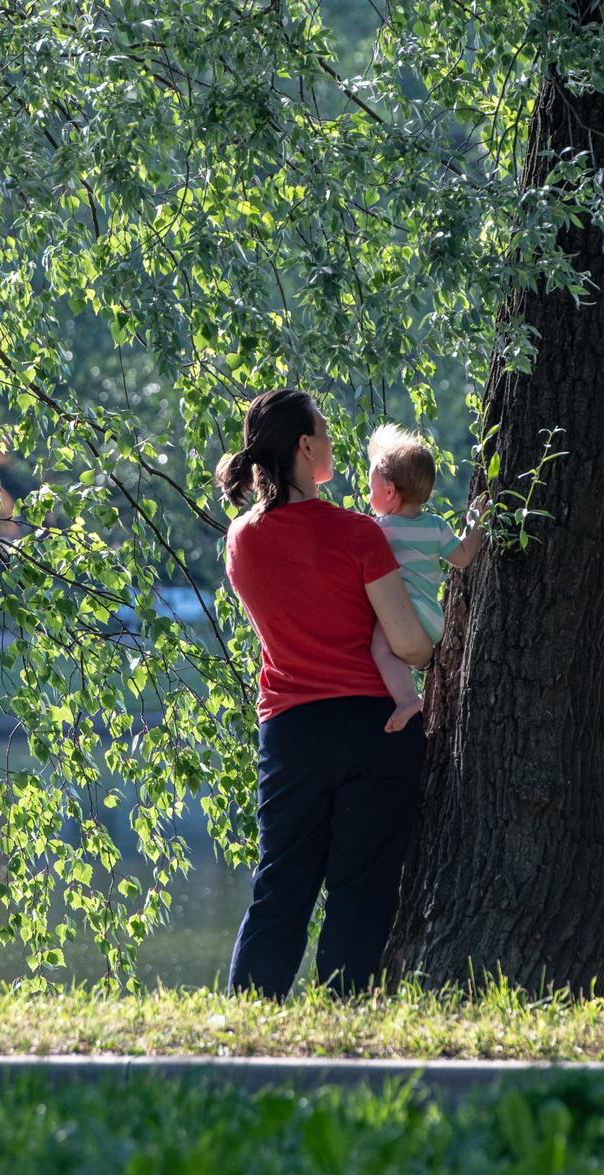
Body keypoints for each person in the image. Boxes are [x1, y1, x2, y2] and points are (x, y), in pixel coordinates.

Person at [218, 389, 433, 997]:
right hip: (374, 728)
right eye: (326, 431)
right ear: (305, 446)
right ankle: (343, 1016)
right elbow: (410, 646)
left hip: (290, 731)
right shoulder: (358, 534)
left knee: (281, 884)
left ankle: (250, 1017)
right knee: (361, 889)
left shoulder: (242, 539)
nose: (334, 441)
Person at [363, 423, 485, 731]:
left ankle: (407, 698)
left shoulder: (380, 529)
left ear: (389, 492)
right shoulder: (435, 526)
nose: (367, 496)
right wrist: (476, 522)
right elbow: (463, 556)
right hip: (433, 619)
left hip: (407, 613)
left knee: (380, 648)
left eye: (370, 489)